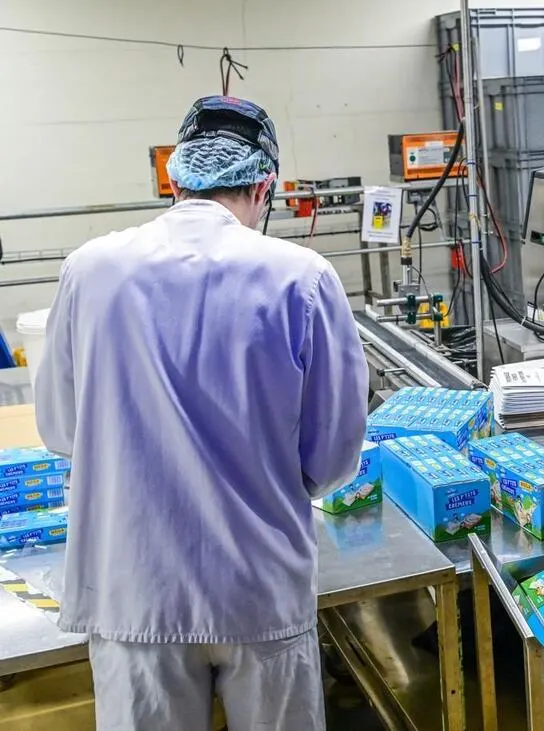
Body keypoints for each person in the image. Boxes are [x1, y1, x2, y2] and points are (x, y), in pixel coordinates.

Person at [34, 96, 369, 731]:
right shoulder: (302, 277)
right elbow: (332, 457)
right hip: (259, 589)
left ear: (175, 179)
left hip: (135, 589)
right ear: (264, 186)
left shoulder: (90, 269)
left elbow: (59, 427)